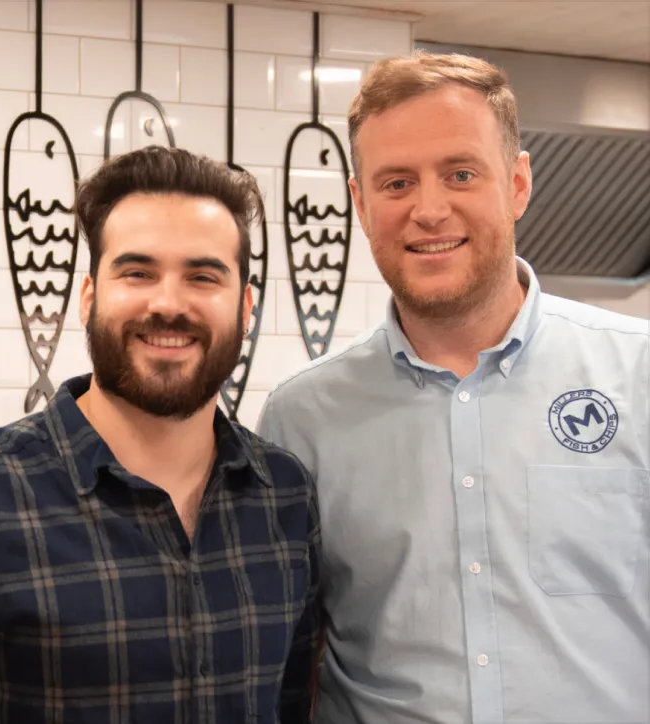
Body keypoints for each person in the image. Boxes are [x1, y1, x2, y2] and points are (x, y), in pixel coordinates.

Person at [258, 52, 649, 724]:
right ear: (360, 203)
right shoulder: (302, 419)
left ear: (518, 184)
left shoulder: (637, 375)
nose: (428, 209)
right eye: (396, 183)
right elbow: (289, 650)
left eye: (460, 173)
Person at [0, 146, 321, 723]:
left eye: (202, 276)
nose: (168, 303)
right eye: (137, 272)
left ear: (244, 307)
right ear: (89, 297)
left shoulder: (286, 495)